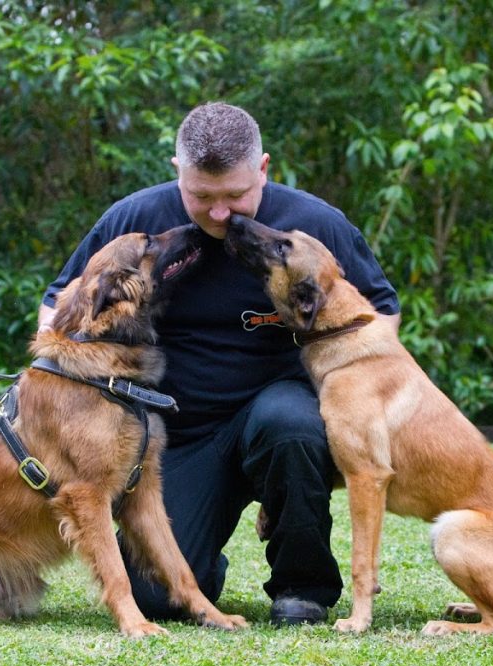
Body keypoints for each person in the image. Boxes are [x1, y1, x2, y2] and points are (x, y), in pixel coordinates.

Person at [38, 102, 400, 626]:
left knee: (291, 425)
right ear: (177, 172)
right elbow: (59, 307)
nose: (220, 213)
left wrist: (349, 394)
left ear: (263, 169)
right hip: (178, 433)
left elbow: (380, 314)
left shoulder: (314, 226)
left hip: (280, 415)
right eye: (202, 197)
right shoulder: (135, 222)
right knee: (157, 599)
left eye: (235, 195)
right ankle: (203, 557)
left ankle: (302, 586)